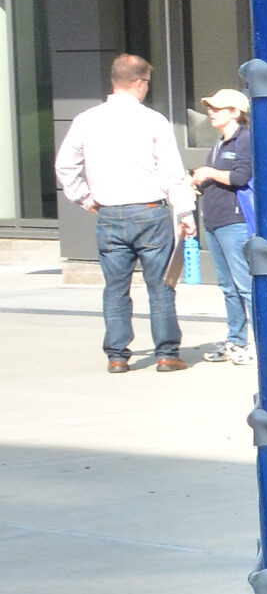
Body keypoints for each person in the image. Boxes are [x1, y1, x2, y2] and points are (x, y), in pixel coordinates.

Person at [56, 54, 196, 373]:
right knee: (160, 285)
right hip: (150, 213)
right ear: (137, 83)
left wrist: (86, 199)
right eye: (146, 82)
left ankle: (117, 356)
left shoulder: (86, 119)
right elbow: (172, 172)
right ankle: (166, 354)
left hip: (109, 214)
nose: (147, 88)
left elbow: (64, 166)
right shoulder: (153, 120)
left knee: (115, 288)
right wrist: (185, 212)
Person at [190, 88, 256, 366]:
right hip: (214, 222)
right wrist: (197, 182)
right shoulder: (218, 144)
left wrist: (207, 173)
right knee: (228, 288)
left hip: (235, 222)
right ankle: (236, 339)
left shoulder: (245, 140)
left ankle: (262, 345)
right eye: (210, 108)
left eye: (218, 108)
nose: (211, 112)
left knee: (245, 286)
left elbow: (241, 176)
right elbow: (216, 179)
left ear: (235, 112)